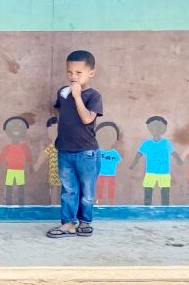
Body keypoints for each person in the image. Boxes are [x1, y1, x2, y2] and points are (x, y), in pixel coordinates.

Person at [46, 50, 104, 238]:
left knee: (87, 191)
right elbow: (59, 112)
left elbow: (87, 119)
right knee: (69, 190)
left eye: (79, 73)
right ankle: (68, 223)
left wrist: (77, 96)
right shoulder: (63, 93)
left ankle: (85, 221)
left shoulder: (93, 96)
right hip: (65, 150)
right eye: (69, 72)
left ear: (91, 73)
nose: (73, 76)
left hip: (87, 152)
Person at [129, 115, 182, 205]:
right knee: (148, 191)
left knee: (165, 192)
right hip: (150, 172)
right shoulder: (147, 143)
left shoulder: (166, 142)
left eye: (159, 126)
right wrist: (134, 163)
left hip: (164, 172)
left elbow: (173, 152)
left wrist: (178, 159)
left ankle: (165, 209)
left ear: (164, 128)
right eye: (153, 126)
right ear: (149, 128)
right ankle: (147, 208)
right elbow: (139, 154)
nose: (156, 129)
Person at [0, 117, 33, 206]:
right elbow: (2, 157)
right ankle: (8, 204)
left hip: (20, 170)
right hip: (10, 170)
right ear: (9, 133)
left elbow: (28, 157)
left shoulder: (24, 147)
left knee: (20, 188)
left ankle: (21, 205)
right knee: (9, 187)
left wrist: (30, 167)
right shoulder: (8, 147)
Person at [33, 118, 60, 205]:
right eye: (50, 131)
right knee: (55, 193)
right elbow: (41, 159)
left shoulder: (62, 147)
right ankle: (54, 209)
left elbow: (40, 160)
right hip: (55, 176)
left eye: (55, 130)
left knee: (58, 192)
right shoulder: (51, 147)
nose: (51, 134)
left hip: (63, 175)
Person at [95, 122, 122, 204]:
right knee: (100, 188)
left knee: (111, 189)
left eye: (111, 135)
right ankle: (99, 201)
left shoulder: (114, 153)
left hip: (111, 174)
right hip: (100, 174)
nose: (106, 137)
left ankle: (111, 203)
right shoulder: (98, 151)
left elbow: (119, 163)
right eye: (103, 134)